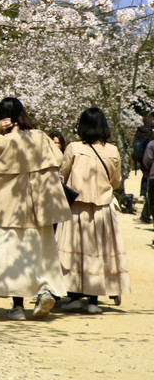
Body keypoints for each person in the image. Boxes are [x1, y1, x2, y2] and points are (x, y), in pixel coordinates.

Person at [0, 97, 70, 321]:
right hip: (40, 207)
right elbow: (59, 159)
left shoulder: (1, 141)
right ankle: (45, 291)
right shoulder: (40, 137)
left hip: (9, 207)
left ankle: (17, 306)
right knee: (42, 252)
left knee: (11, 256)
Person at [55, 107, 130, 314]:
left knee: (74, 251)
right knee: (98, 251)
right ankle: (94, 300)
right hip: (102, 208)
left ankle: (74, 296)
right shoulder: (113, 151)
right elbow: (115, 181)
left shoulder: (73, 148)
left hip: (77, 207)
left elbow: (62, 173)